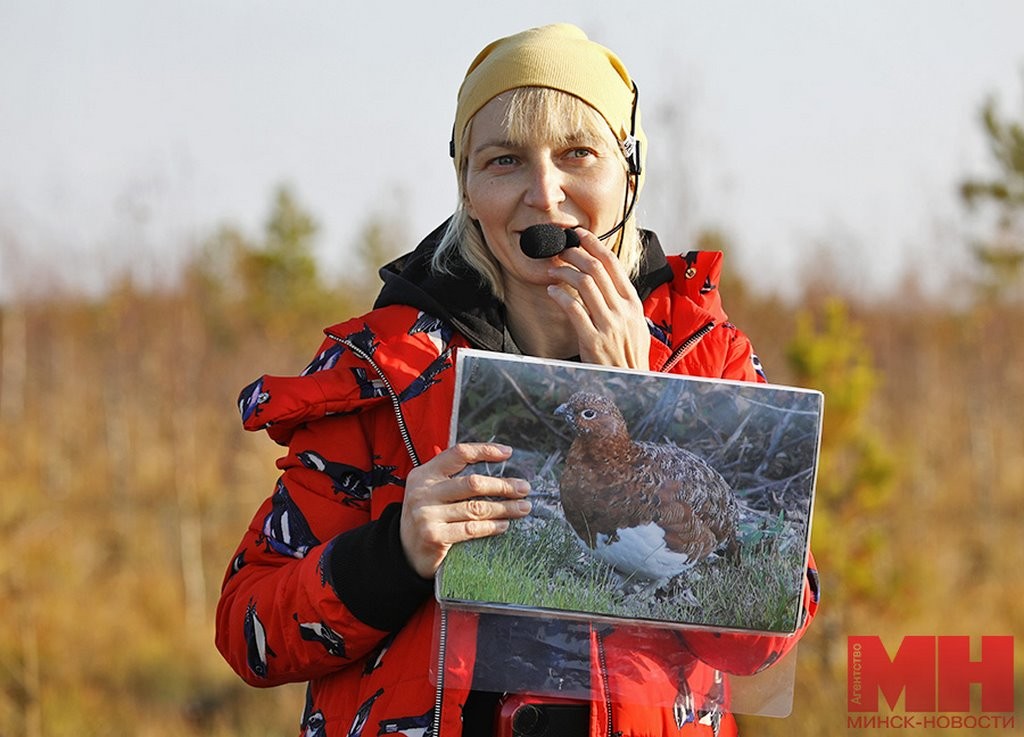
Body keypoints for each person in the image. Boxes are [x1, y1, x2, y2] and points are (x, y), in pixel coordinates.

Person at [216, 23, 819, 737]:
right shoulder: (381, 373)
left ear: (628, 174)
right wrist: (395, 554)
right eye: (504, 161)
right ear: (468, 189)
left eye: (577, 154)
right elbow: (249, 630)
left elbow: (766, 637)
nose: (545, 194)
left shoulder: (707, 356)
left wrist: (646, 393)